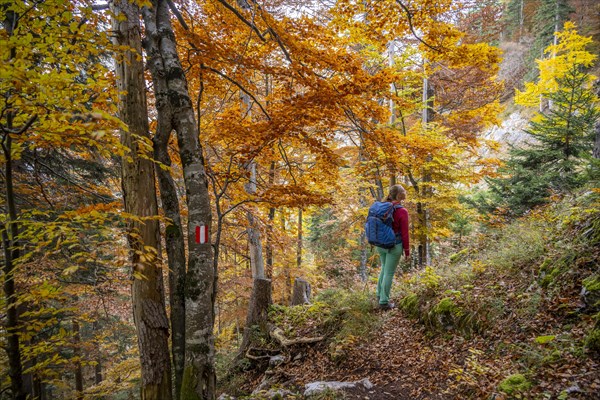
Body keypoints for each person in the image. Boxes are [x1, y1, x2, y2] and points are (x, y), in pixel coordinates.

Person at [376, 184, 410, 310]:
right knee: (389, 273)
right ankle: (384, 302)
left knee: (384, 269)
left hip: (380, 244)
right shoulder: (402, 211)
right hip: (394, 245)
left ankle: (379, 295)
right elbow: (405, 233)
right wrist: (407, 251)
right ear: (401, 195)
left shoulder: (382, 207)